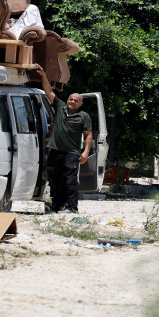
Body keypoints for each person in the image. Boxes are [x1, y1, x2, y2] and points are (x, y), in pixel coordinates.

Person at [33, 65, 92, 213]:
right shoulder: (60, 107)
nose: (72, 102)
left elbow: (88, 135)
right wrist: (43, 75)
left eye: (75, 101)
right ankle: (56, 206)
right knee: (54, 179)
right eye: (71, 99)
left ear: (80, 103)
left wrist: (85, 152)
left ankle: (72, 207)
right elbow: (48, 91)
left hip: (71, 153)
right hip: (55, 150)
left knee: (70, 180)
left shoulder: (83, 116)